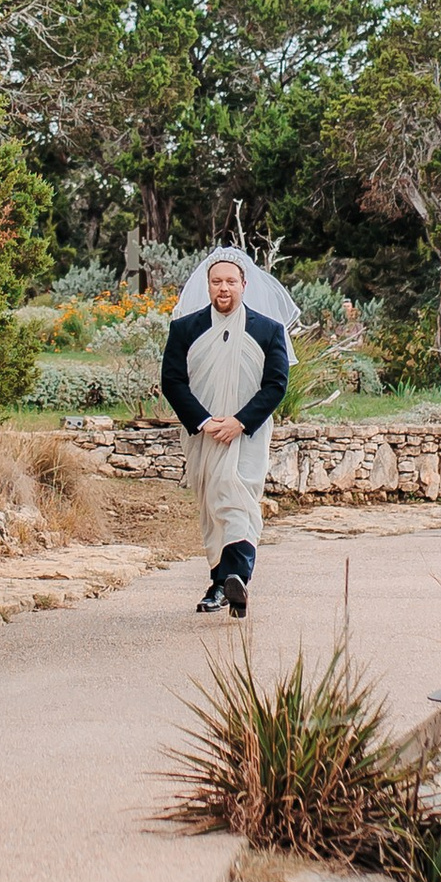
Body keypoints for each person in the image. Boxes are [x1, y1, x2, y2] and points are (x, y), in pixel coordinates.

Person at [161, 251, 293, 617]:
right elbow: (172, 381)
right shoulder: (185, 329)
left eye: (230, 281)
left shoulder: (268, 330)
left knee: (237, 497)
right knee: (212, 505)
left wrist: (239, 422)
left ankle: (231, 579)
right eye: (217, 281)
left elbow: (276, 384)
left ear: (244, 285)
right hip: (203, 435)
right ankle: (223, 581)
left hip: (247, 434)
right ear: (208, 286)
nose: (224, 288)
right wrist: (204, 421)